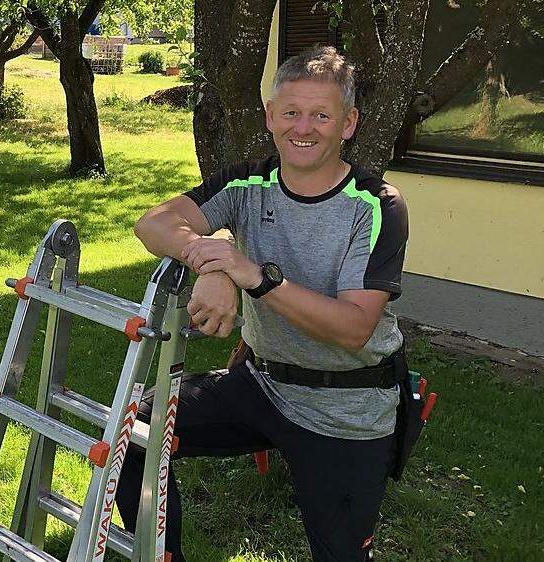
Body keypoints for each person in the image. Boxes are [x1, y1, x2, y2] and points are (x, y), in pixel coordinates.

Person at [115, 46, 410, 562]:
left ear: (349, 124)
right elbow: (153, 222)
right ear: (271, 117)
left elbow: (353, 328)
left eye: (322, 114)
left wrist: (250, 276)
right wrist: (209, 263)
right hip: (261, 385)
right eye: (292, 112)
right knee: (131, 435)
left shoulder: (377, 204)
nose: (305, 127)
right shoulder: (248, 184)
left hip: (346, 409)